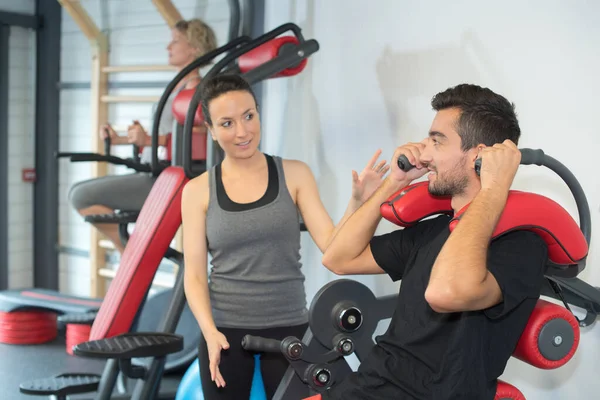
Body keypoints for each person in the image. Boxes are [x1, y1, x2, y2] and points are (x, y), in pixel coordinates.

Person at [320, 84, 548, 400]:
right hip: (365, 388)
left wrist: (494, 189)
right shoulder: (435, 230)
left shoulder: (521, 245)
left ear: (479, 156)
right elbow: (338, 258)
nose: (424, 154)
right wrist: (393, 183)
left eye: (437, 141)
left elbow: (445, 293)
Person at [180, 73, 390, 400]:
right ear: (210, 129)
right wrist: (209, 332)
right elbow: (193, 274)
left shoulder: (295, 174)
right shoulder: (196, 192)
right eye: (227, 123)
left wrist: (358, 202)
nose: (242, 131)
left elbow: (334, 247)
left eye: (249, 116)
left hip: (290, 328)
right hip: (225, 331)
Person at [68, 18, 217, 253]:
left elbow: (199, 139)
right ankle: (129, 250)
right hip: (158, 172)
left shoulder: (195, 90)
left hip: (169, 180)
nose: (168, 47)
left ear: (194, 48)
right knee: (78, 194)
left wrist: (147, 140)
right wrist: (121, 139)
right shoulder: (180, 86)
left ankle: (129, 251)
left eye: (175, 41)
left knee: (80, 195)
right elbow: (170, 134)